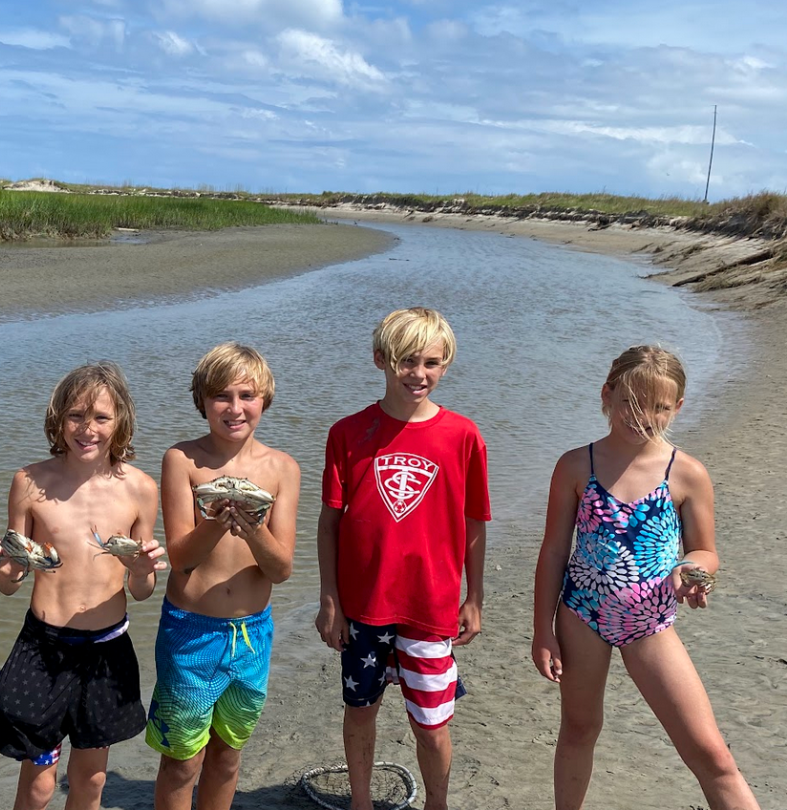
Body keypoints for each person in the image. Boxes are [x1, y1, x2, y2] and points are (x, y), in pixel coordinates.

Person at [531, 346, 760, 810]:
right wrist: (542, 631)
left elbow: (706, 551)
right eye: (632, 402)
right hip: (581, 616)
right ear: (607, 395)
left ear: (677, 407)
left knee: (711, 753)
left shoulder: (687, 473)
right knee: (578, 729)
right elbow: (555, 550)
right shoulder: (577, 466)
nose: (643, 416)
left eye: (658, 406)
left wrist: (692, 571)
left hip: (651, 623)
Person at [314, 308, 490, 810]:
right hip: (363, 604)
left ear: (446, 365)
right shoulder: (348, 433)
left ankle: (437, 801)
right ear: (380, 360)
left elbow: (475, 525)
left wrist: (473, 597)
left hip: (431, 607)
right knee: (360, 711)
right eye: (406, 361)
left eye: (432, 362)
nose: (419, 374)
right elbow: (330, 523)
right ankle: (361, 801)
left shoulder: (463, 436)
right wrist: (330, 600)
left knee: (432, 726)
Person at [0, 362, 166, 810]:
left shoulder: (140, 488)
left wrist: (141, 569)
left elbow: (142, 590)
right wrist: (2, 566)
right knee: (40, 784)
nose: (88, 429)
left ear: (120, 420)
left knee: (91, 781)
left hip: (106, 648)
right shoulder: (29, 482)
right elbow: (12, 581)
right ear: (58, 419)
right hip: (42, 649)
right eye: (76, 416)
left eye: (101, 418)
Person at [148, 342, 301, 810]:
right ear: (202, 402)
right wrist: (215, 520)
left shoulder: (283, 469)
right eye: (221, 396)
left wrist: (253, 529)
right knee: (182, 760)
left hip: (252, 635)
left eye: (246, 395)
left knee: (227, 756)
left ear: (264, 400)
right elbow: (180, 558)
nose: (234, 408)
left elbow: (281, 569)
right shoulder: (183, 460)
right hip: (191, 632)